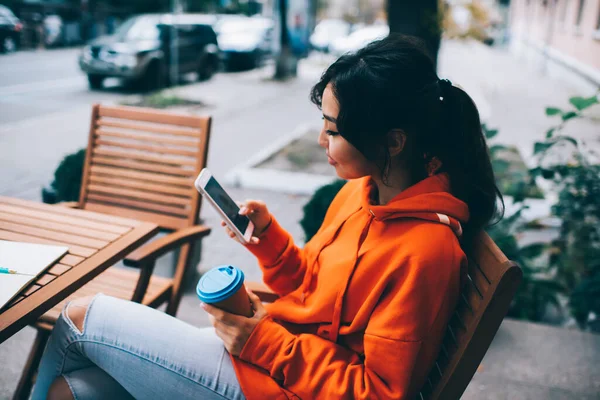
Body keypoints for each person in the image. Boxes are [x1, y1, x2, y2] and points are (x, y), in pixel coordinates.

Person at [32, 34, 503, 400]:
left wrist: (261, 342)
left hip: (278, 381)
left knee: (78, 317)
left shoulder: (428, 253)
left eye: (334, 129)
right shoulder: (365, 193)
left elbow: (377, 391)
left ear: (394, 141)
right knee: (73, 391)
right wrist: (270, 242)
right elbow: (311, 289)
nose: (321, 139)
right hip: (270, 356)